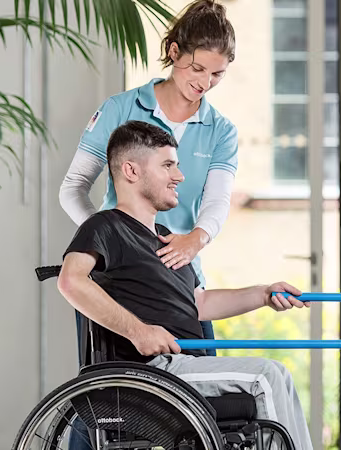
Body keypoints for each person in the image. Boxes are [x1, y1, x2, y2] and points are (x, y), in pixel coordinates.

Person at [57, 121, 313, 450]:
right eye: (168, 165)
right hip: (150, 372)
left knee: (279, 375)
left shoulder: (166, 240)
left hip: (185, 365)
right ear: (131, 171)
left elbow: (200, 304)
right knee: (268, 375)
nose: (179, 176)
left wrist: (264, 293)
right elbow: (70, 280)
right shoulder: (105, 226)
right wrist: (140, 332)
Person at [59, 0, 238, 353]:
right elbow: (73, 188)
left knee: (203, 387)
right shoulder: (120, 109)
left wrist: (196, 240)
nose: (205, 82)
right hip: (122, 281)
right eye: (197, 68)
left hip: (182, 276)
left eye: (217, 74)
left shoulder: (221, 131)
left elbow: (217, 202)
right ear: (174, 52)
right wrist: (115, 241)